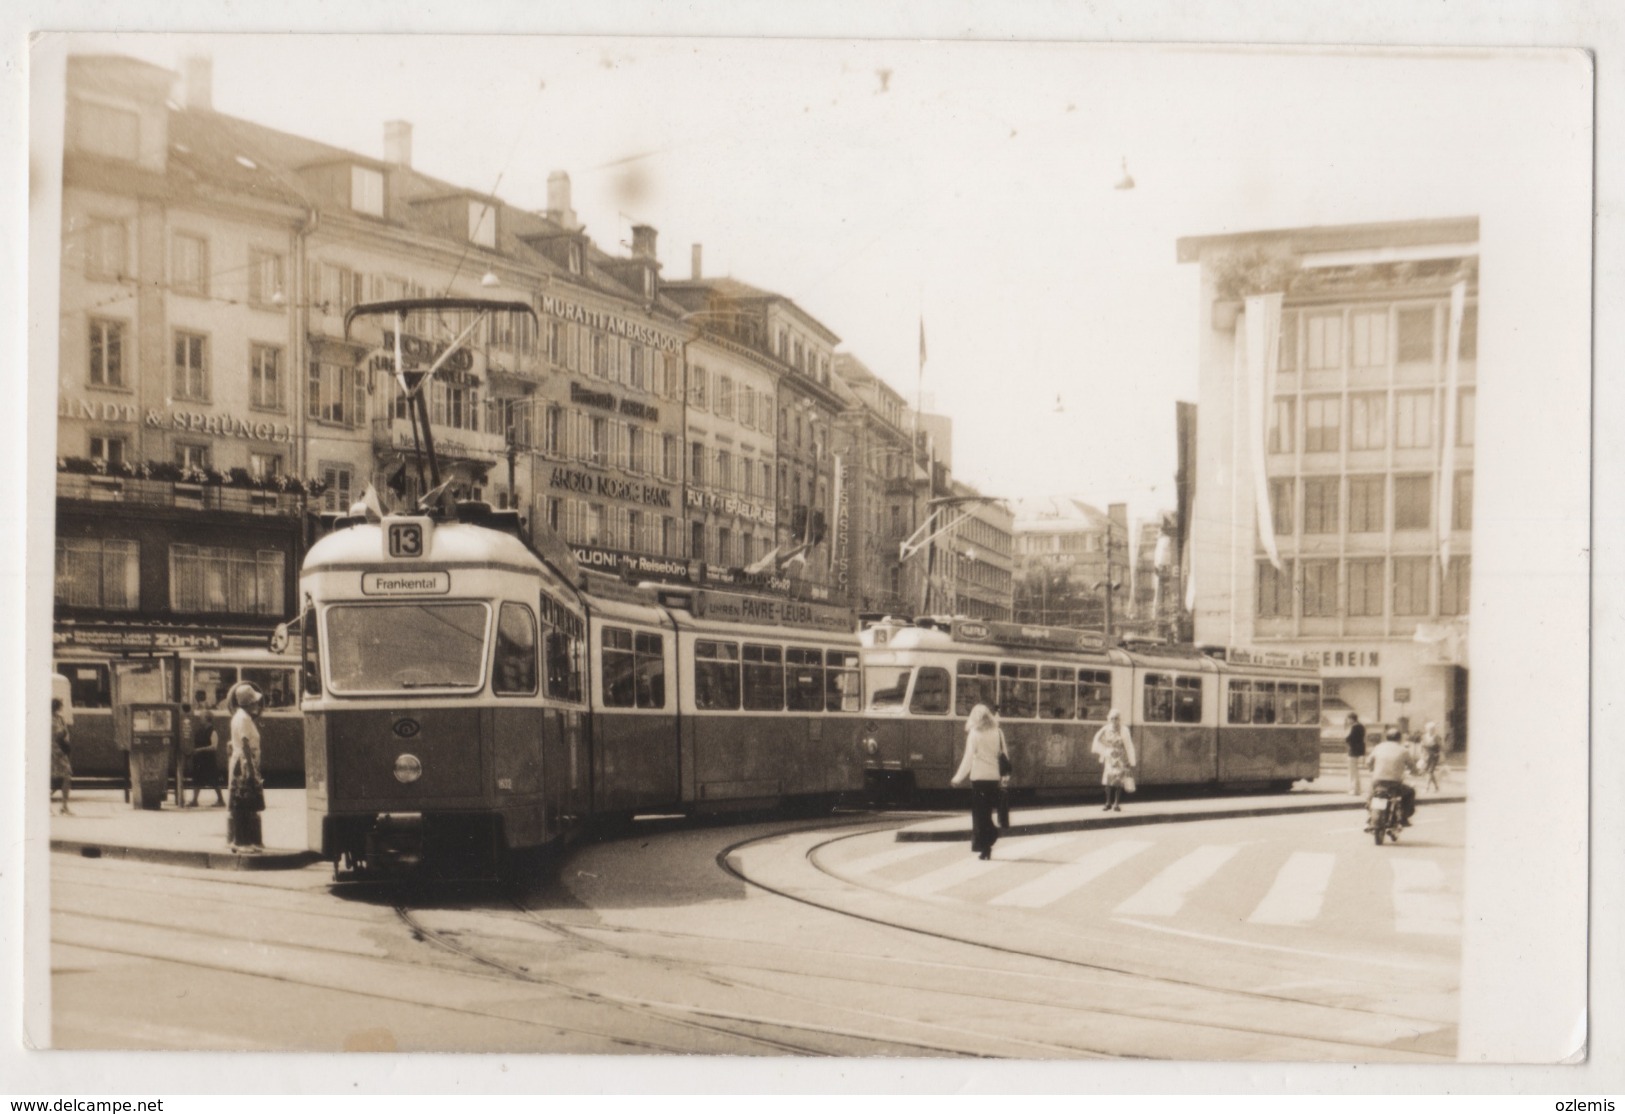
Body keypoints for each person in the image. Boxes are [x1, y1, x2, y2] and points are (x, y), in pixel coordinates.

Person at [950, 704, 1009, 860]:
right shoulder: (998, 732)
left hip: (978, 779)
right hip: (993, 778)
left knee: (979, 815)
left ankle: (986, 845)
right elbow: (1004, 755)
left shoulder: (974, 734)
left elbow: (968, 759)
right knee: (987, 812)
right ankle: (987, 844)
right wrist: (1005, 776)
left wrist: (957, 778)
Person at [226, 682, 267, 853]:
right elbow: (245, 743)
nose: (257, 704)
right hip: (243, 763)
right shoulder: (243, 718)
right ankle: (241, 842)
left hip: (243, 762)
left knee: (244, 802)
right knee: (243, 803)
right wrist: (250, 768)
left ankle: (243, 840)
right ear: (249, 703)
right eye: (255, 701)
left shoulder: (242, 716)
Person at [1364, 727, 1421, 829]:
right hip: (1394, 783)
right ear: (1399, 739)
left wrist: (1372, 769)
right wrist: (1415, 772)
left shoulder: (1378, 747)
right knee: (1410, 792)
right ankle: (1404, 818)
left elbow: (1368, 762)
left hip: (1377, 781)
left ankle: (1370, 816)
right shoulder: (1403, 750)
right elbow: (1412, 767)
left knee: (1371, 795)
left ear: (1386, 738)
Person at [1091, 709, 1137, 812]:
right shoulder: (1105, 729)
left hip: (1121, 757)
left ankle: (1116, 803)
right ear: (1109, 719)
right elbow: (1097, 740)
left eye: (1116, 718)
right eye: (1112, 718)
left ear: (1119, 719)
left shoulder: (1124, 730)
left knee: (1118, 781)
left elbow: (1129, 745)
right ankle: (1107, 802)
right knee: (1108, 781)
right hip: (1110, 757)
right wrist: (1105, 750)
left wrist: (1130, 760)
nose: (1114, 720)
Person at [188, 700, 225, 808]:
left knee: (214, 781)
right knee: (197, 780)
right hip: (200, 760)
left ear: (207, 718)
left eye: (202, 716)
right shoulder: (200, 731)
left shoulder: (213, 731)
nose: (200, 718)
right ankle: (194, 800)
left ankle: (221, 800)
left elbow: (214, 747)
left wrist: (199, 750)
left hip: (208, 760)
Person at [51, 697, 73, 815]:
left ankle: (64, 806)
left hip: (60, 752)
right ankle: (62, 806)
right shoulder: (50, 720)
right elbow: (57, 734)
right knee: (59, 778)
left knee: (65, 777)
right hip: (53, 752)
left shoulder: (60, 719)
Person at [1419, 720, 1446, 792]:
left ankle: (1426, 788)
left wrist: (1441, 755)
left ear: (1434, 729)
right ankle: (1436, 787)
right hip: (1426, 756)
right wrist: (1421, 755)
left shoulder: (1437, 737)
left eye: (1432, 729)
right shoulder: (1424, 736)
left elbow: (1441, 747)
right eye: (1429, 729)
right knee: (1429, 772)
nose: (1431, 730)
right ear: (1426, 729)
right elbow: (1421, 746)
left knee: (1430, 771)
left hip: (1434, 756)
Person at [1345, 712, 1367, 796]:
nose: (1347, 721)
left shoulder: (1354, 727)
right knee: (1355, 771)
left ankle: (1354, 790)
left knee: (1352, 772)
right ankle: (1357, 789)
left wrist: (1346, 738)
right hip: (1358, 751)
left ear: (1351, 719)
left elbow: (1348, 738)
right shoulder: (1361, 726)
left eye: (1348, 719)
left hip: (1353, 751)